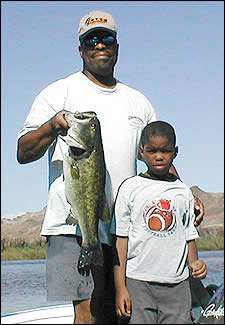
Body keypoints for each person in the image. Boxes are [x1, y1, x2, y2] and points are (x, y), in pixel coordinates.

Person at [16, 10, 204, 324]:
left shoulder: (138, 102)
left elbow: (158, 159)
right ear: (80, 49)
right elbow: (23, 152)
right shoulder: (57, 92)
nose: (99, 44)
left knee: (119, 312)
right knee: (87, 312)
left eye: (106, 38)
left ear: (117, 45)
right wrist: (52, 126)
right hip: (70, 226)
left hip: (125, 229)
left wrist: (185, 194)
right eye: (91, 39)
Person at [111, 120, 208, 324]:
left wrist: (195, 263)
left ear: (176, 152)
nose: (159, 156)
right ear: (141, 152)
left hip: (177, 284)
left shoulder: (183, 191)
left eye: (165, 150)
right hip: (138, 281)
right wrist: (120, 287)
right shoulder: (130, 188)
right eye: (152, 150)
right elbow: (121, 240)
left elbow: (188, 234)